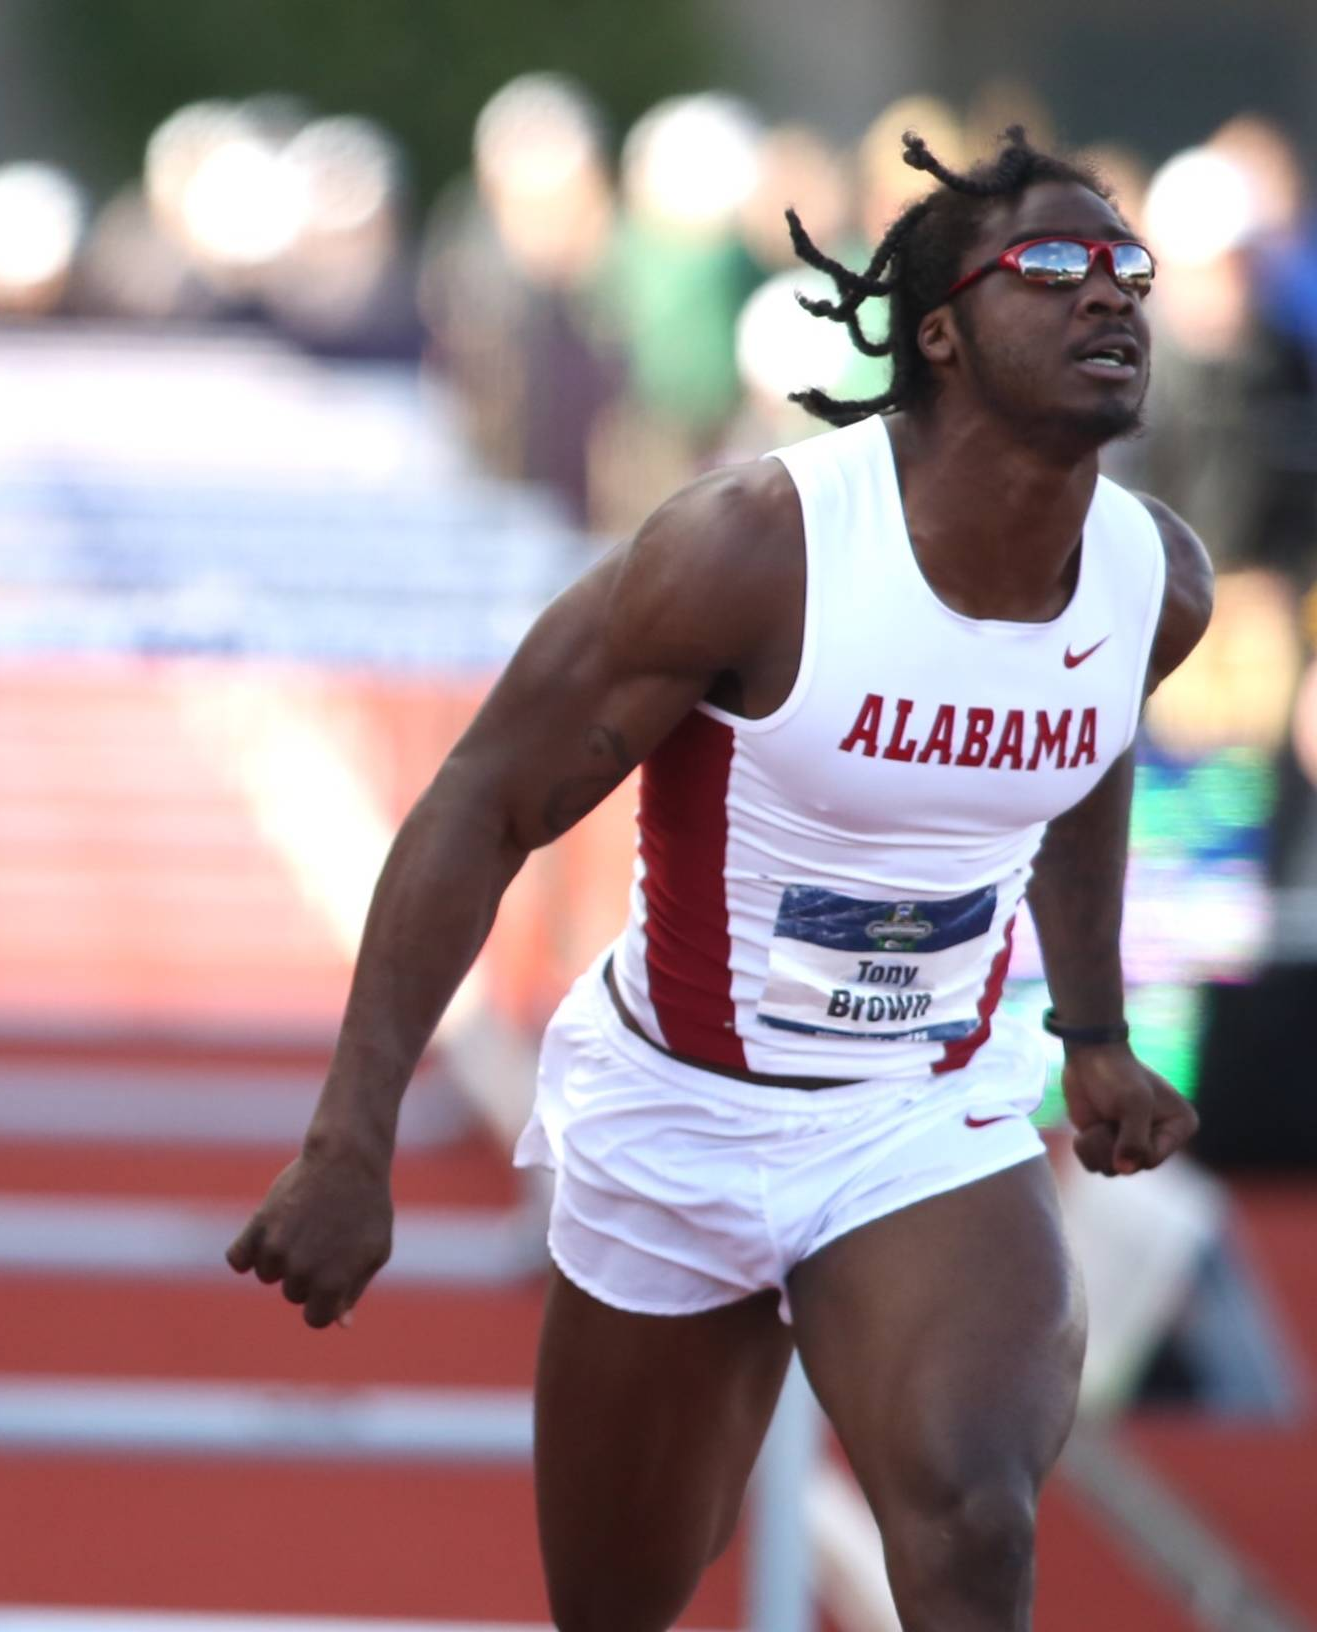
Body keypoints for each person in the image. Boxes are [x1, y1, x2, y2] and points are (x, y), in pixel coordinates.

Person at [229, 128, 1212, 1632]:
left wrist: (1089, 1034)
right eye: (1058, 266)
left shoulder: (1159, 583)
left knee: (972, 1513)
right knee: (620, 1604)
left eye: (1128, 268)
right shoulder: (758, 548)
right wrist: (349, 1139)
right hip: (680, 1112)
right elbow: (484, 802)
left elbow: (1085, 764)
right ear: (937, 331)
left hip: (921, 1115)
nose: (1111, 298)